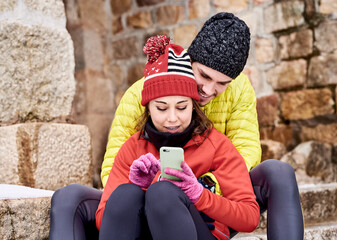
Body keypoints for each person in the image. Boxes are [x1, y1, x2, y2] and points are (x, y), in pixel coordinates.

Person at [49, 12, 304, 240]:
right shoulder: (141, 94)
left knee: (278, 172)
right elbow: (115, 164)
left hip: (212, 201)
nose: (208, 89)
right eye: (203, 76)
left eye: (222, 83)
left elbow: (245, 150)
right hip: (145, 199)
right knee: (71, 198)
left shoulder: (232, 106)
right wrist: (143, 186)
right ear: (190, 60)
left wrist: (203, 186)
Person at [95, 38, 260, 240]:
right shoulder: (132, 148)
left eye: (182, 107)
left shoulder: (216, 144)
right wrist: (139, 187)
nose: (172, 118)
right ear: (148, 107)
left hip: (200, 232)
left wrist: (199, 194)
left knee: (163, 192)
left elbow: (250, 218)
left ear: (193, 105)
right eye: (162, 108)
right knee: (126, 193)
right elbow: (103, 221)